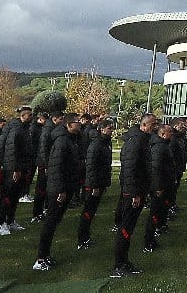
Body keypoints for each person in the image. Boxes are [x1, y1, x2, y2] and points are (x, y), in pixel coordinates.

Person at [32, 114, 83, 271]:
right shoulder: (62, 141)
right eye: (77, 122)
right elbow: (56, 167)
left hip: (66, 187)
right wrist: (60, 189)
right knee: (50, 223)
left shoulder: (71, 140)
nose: (80, 124)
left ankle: (45, 255)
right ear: (69, 125)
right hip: (58, 189)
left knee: (54, 222)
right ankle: (40, 259)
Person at [111, 113, 155, 278]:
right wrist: (134, 194)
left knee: (129, 228)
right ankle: (119, 265)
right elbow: (129, 170)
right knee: (125, 228)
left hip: (138, 190)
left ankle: (124, 261)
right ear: (144, 125)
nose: (155, 127)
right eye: (153, 124)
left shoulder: (142, 141)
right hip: (132, 193)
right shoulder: (135, 142)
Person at [0, 106, 34, 235]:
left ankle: (11, 221)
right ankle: (1, 223)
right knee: (8, 195)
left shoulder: (25, 129)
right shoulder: (16, 129)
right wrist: (15, 169)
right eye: (29, 114)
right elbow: (12, 150)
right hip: (12, 168)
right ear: (22, 116)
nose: (31, 117)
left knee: (15, 196)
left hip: (21, 167)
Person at [77, 119, 114, 249]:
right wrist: (94, 186)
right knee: (88, 211)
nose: (112, 131)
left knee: (91, 211)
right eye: (109, 128)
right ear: (102, 129)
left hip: (100, 182)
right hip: (93, 185)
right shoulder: (96, 144)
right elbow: (91, 166)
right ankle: (82, 239)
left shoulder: (106, 143)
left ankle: (85, 236)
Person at [144, 123, 175, 252]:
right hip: (159, 187)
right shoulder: (158, 148)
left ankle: (156, 231)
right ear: (163, 134)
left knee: (161, 210)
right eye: (169, 132)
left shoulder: (164, 146)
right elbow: (156, 169)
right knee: (154, 213)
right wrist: (157, 187)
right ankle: (149, 241)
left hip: (165, 184)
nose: (172, 134)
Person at [28, 111, 54, 224]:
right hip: (43, 163)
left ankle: (44, 209)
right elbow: (43, 147)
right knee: (41, 188)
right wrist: (45, 163)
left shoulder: (48, 129)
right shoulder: (46, 130)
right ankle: (37, 213)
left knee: (46, 188)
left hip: (45, 162)